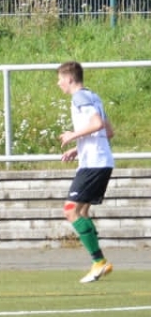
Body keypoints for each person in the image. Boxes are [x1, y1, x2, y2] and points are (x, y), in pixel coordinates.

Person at [57, 61, 115, 284]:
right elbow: (109, 131)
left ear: (70, 79)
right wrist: (77, 148)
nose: (59, 83)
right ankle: (98, 263)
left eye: (60, 79)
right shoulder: (94, 96)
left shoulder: (79, 97)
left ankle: (99, 261)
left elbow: (98, 123)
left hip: (94, 163)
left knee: (70, 210)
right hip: (100, 161)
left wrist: (72, 135)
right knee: (81, 212)